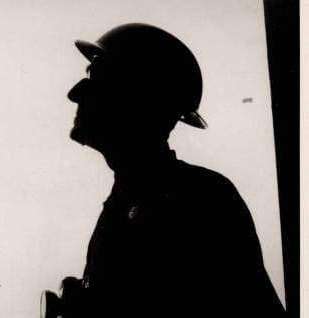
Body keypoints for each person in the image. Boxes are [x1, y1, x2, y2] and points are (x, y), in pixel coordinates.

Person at [66, 23, 285, 318]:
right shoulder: (122, 201)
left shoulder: (203, 199)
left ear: (138, 100)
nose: (75, 93)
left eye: (97, 78)